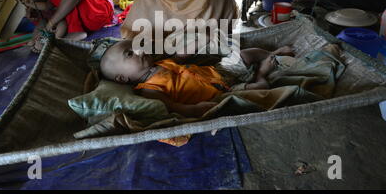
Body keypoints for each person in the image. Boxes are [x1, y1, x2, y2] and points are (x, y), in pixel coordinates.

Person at [99, 39, 294, 118]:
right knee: (261, 89)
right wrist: (195, 109)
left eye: (136, 46)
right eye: (130, 54)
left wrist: (187, 50)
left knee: (246, 53)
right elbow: (175, 108)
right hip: (219, 95)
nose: (140, 50)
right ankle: (261, 73)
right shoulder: (149, 90)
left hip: (219, 72)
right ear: (122, 79)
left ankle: (273, 52)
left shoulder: (159, 64)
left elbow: (179, 58)